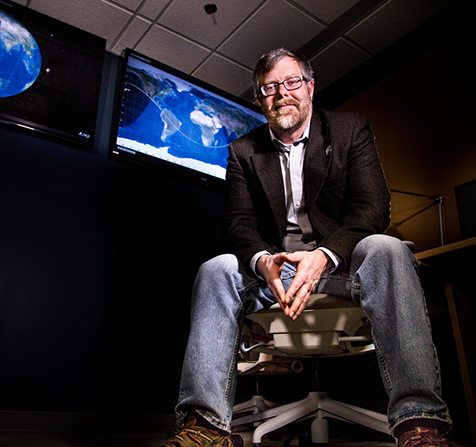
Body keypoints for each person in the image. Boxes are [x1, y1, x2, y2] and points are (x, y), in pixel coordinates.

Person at [162, 48, 452, 447]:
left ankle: (420, 421)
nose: (281, 93)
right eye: (269, 88)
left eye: (291, 82)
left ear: (310, 87)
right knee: (216, 268)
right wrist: (263, 261)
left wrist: (323, 255)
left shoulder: (350, 130)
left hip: (341, 264)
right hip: (276, 271)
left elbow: (373, 207)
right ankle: (205, 427)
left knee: (388, 248)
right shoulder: (243, 152)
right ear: (260, 100)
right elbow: (238, 224)